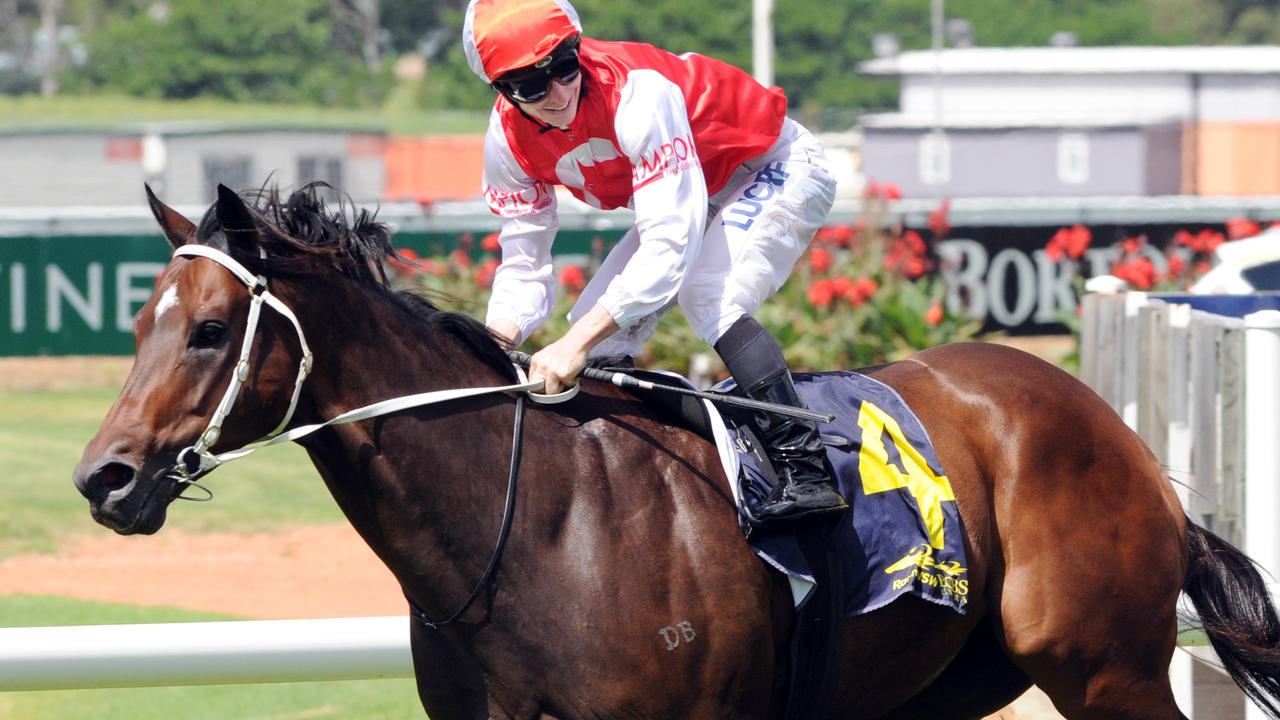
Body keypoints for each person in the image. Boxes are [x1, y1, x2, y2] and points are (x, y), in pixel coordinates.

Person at [463, 0, 846, 525]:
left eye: (564, 66)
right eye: (531, 85)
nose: (558, 93)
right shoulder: (505, 141)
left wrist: (573, 345)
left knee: (708, 296)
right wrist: (490, 345)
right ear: (501, 90)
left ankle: (807, 469)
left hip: (771, 164)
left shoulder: (638, 93)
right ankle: (634, 470)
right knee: (601, 333)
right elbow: (524, 264)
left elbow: (669, 248)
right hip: (698, 186)